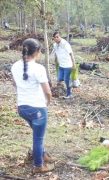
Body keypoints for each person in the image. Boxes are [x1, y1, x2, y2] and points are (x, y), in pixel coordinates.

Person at [11, 38, 53, 173]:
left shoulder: (14, 66)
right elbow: (47, 91)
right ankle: (38, 166)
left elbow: (16, 85)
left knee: (37, 134)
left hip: (22, 108)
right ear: (37, 52)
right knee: (38, 138)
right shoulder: (39, 68)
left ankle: (43, 154)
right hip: (37, 109)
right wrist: (47, 102)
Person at [52, 31, 76, 99]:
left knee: (66, 79)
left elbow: (71, 54)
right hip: (61, 65)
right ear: (53, 38)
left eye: (57, 37)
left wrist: (74, 64)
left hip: (68, 65)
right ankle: (66, 85)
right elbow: (55, 53)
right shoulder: (55, 45)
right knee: (59, 78)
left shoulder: (65, 44)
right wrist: (56, 60)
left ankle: (69, 94)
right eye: (55, 37)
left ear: (60, 37)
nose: (56, 38)